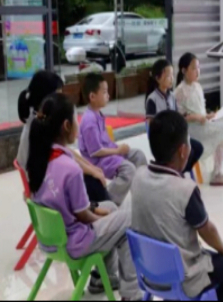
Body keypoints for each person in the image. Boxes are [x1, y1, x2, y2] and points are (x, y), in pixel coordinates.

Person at [27, 93, 142, 300]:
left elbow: (64, 204)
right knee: (130, 218)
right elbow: (83, 216)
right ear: (66, 126)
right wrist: (101, 217)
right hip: (75, 241)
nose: (78, 125)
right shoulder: (70, 169)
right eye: (75, 120)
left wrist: (98, 209)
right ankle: (131, 295)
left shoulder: (37, 160)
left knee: (111, 207)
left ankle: (102, 278)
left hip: (51, 240)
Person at [131, 110, 223, 301]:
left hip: (149, 272)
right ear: (183, 150)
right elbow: (207, 230)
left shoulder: (138, 176)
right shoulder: (185, 189)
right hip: (181, 277)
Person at [17, 70, 109, 203]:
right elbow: (65, 158)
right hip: (47, 189)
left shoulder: (38, 120)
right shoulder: (40, 127)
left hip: (43, 184)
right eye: (58, 94)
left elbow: (65, 150)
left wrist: (91, 167)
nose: (60, 98)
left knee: (92, 180)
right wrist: (91, 171)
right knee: (92, 184)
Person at [79, 73, 148, 206]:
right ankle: (107, 201)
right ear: (92, 97)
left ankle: (141, 193)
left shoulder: (98, 114)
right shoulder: (89, 121)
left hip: (109, 153)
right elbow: (95, 152)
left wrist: (118, 149)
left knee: (138, 155)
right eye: (104, 92)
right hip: (98, 161)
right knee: (128, 169)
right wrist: (118, 151)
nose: (108, 95)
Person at [175, 53, 223, 186]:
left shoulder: (197, 86)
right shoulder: (180, 91)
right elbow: (180, 117)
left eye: (198, 67)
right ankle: (218, 174)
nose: (197, 71)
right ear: (184, 70)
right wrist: (197, 117)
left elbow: (201, 110)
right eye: (194, 68)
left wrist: (209, 115)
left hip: (202, 124)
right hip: (193, 129)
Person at [145, 59, 205, 175]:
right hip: (162, 138)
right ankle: (177, 173)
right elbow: (151, 124)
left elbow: (177, 116)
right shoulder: (152, 99)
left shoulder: (172, 96)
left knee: (197, 148)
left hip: (174, 136)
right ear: (158, 78)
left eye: (172, 75)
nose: (171, 79)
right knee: (185, 151)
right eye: (168, 76)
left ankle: (179, 172)